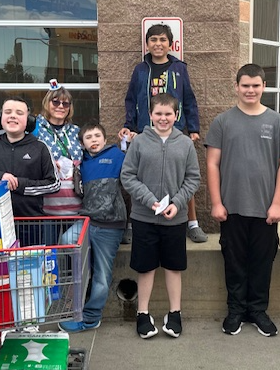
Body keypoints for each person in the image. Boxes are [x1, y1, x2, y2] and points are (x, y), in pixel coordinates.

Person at [205, 64, 280, 337]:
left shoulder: (277, 122)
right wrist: (217, 202)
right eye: (245, 85)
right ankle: (235, 311)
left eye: (256, 85)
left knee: (262, 262)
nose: (250, 90)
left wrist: (278, 203)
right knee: (233, 262)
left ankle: (257, 310)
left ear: (263, 87)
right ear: (236, 87)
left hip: (265, 209)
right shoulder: (222, 122)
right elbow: (212, 164)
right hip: (231, 208)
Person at [121, 93, 200, 339]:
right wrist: (148, 199)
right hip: (145, 217)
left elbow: (193, 178)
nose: (163, 118)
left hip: (174, 218)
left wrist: (177, 203)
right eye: (159, 114)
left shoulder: (185, 144)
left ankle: (174, 312)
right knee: (145, 267)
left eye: (168, 114)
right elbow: (128, 176)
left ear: (176, 115)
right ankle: (142, 313)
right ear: (151, 115)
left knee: (173, 266)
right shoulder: (140, 142)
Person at [119, 24, 207, 244]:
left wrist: (193, 128)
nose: (158, 44)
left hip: (175, 130)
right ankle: (132, 222)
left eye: (162, 40)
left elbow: (189, 99)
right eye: (153, 40)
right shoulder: (140, 69)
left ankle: (192, 223)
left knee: (181, 178)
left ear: (170, 44)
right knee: (138, 175)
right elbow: (131, 99)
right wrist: (130, 126)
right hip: (145, 132)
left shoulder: (179, 68)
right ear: (147, 43)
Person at [58, 124, 127, 333]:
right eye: (89, 137)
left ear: (105, 139)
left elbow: (134, 168)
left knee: (102, 275)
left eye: (98, 135)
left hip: (110, 225)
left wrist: (129, 142)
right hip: (87, 221)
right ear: (82, 143)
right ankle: (72, 295)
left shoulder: (117, 155)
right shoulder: (82, 164)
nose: (94, 139)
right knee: (66, 240)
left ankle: (91, 317)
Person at [0, 96, 61, 246]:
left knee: (29, 268)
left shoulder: (40, 147)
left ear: (29, 120)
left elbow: (54, 184)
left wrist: (20, 184)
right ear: (0, 118)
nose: (12, 116)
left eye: (19, 113)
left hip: (30, 224)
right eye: (8, 112)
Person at [33, 79, 84, 243]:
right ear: (47, 102)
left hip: (76, 207)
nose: (60, 106)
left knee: (74, 260)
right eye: (56, 102)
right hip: (48, 208)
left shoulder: (77, 131)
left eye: (65, 103)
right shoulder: (35, 130)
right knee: (51, 257)